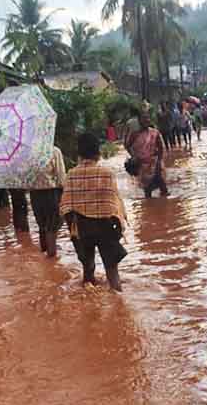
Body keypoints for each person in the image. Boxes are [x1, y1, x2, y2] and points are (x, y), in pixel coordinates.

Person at [59, 133, 128, 292]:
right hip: (105, 226)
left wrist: (74, 232)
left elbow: (66, 207)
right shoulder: (107, 173)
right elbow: (114, 205)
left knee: (88, 270)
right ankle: (119, 304)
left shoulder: (71, 174)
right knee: (112, 272)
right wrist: (119, 229)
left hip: (82, 227)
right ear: (98, 153)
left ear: (79, 154)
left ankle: (89, 306)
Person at [29, 145, 67, 257]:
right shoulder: (54, 151)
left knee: (41, 223)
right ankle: (51, 257)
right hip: (51, 193)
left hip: (34, 194)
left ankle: (44, 252)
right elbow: (61, 176)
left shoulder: (27, 153)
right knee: (52, 225)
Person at [125, 107, 169, 198]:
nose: (147, 120)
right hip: (142, 165)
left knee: (162, 185)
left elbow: (161, 147)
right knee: (147, 189)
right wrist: (133, 156)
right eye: (144, 118)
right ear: (139, 120)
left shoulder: (155, 132)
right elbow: (127, 145)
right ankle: (149, 206)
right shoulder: (134, 134)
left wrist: (160, 161)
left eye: (148, 118)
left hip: (154, 162)